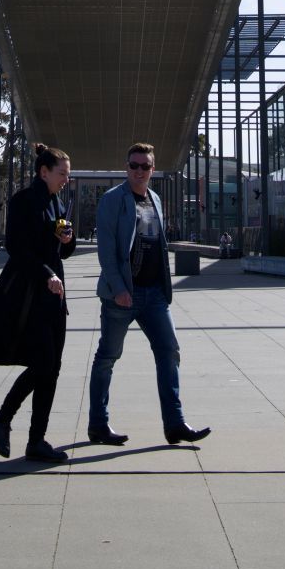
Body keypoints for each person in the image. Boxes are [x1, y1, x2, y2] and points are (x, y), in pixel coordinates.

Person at [88, 142, 210, 448]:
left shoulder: (154, 197)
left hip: (154, 294)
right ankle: (98, 424)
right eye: (134, 165)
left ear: (153, 170)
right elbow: (106, 249)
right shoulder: (112, 200)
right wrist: (118, 289)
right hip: (122, 295)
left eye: (145, 166)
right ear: (126, 168)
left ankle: (175, 424)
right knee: (107, 358)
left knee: (169, 352)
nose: (139, 171)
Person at [0, 142, 75, 463]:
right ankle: (6, 419)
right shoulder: (24, 201)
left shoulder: (57, 202)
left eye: (67, 174)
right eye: (62, 173)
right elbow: (16, 246)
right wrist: (45, 274)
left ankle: (34, 439)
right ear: (44, 172)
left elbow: (61, 251)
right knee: (44, 363)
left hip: (54, 294)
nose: (66, 178)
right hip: (28, 293)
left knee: (51, 367)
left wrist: (67, 240)